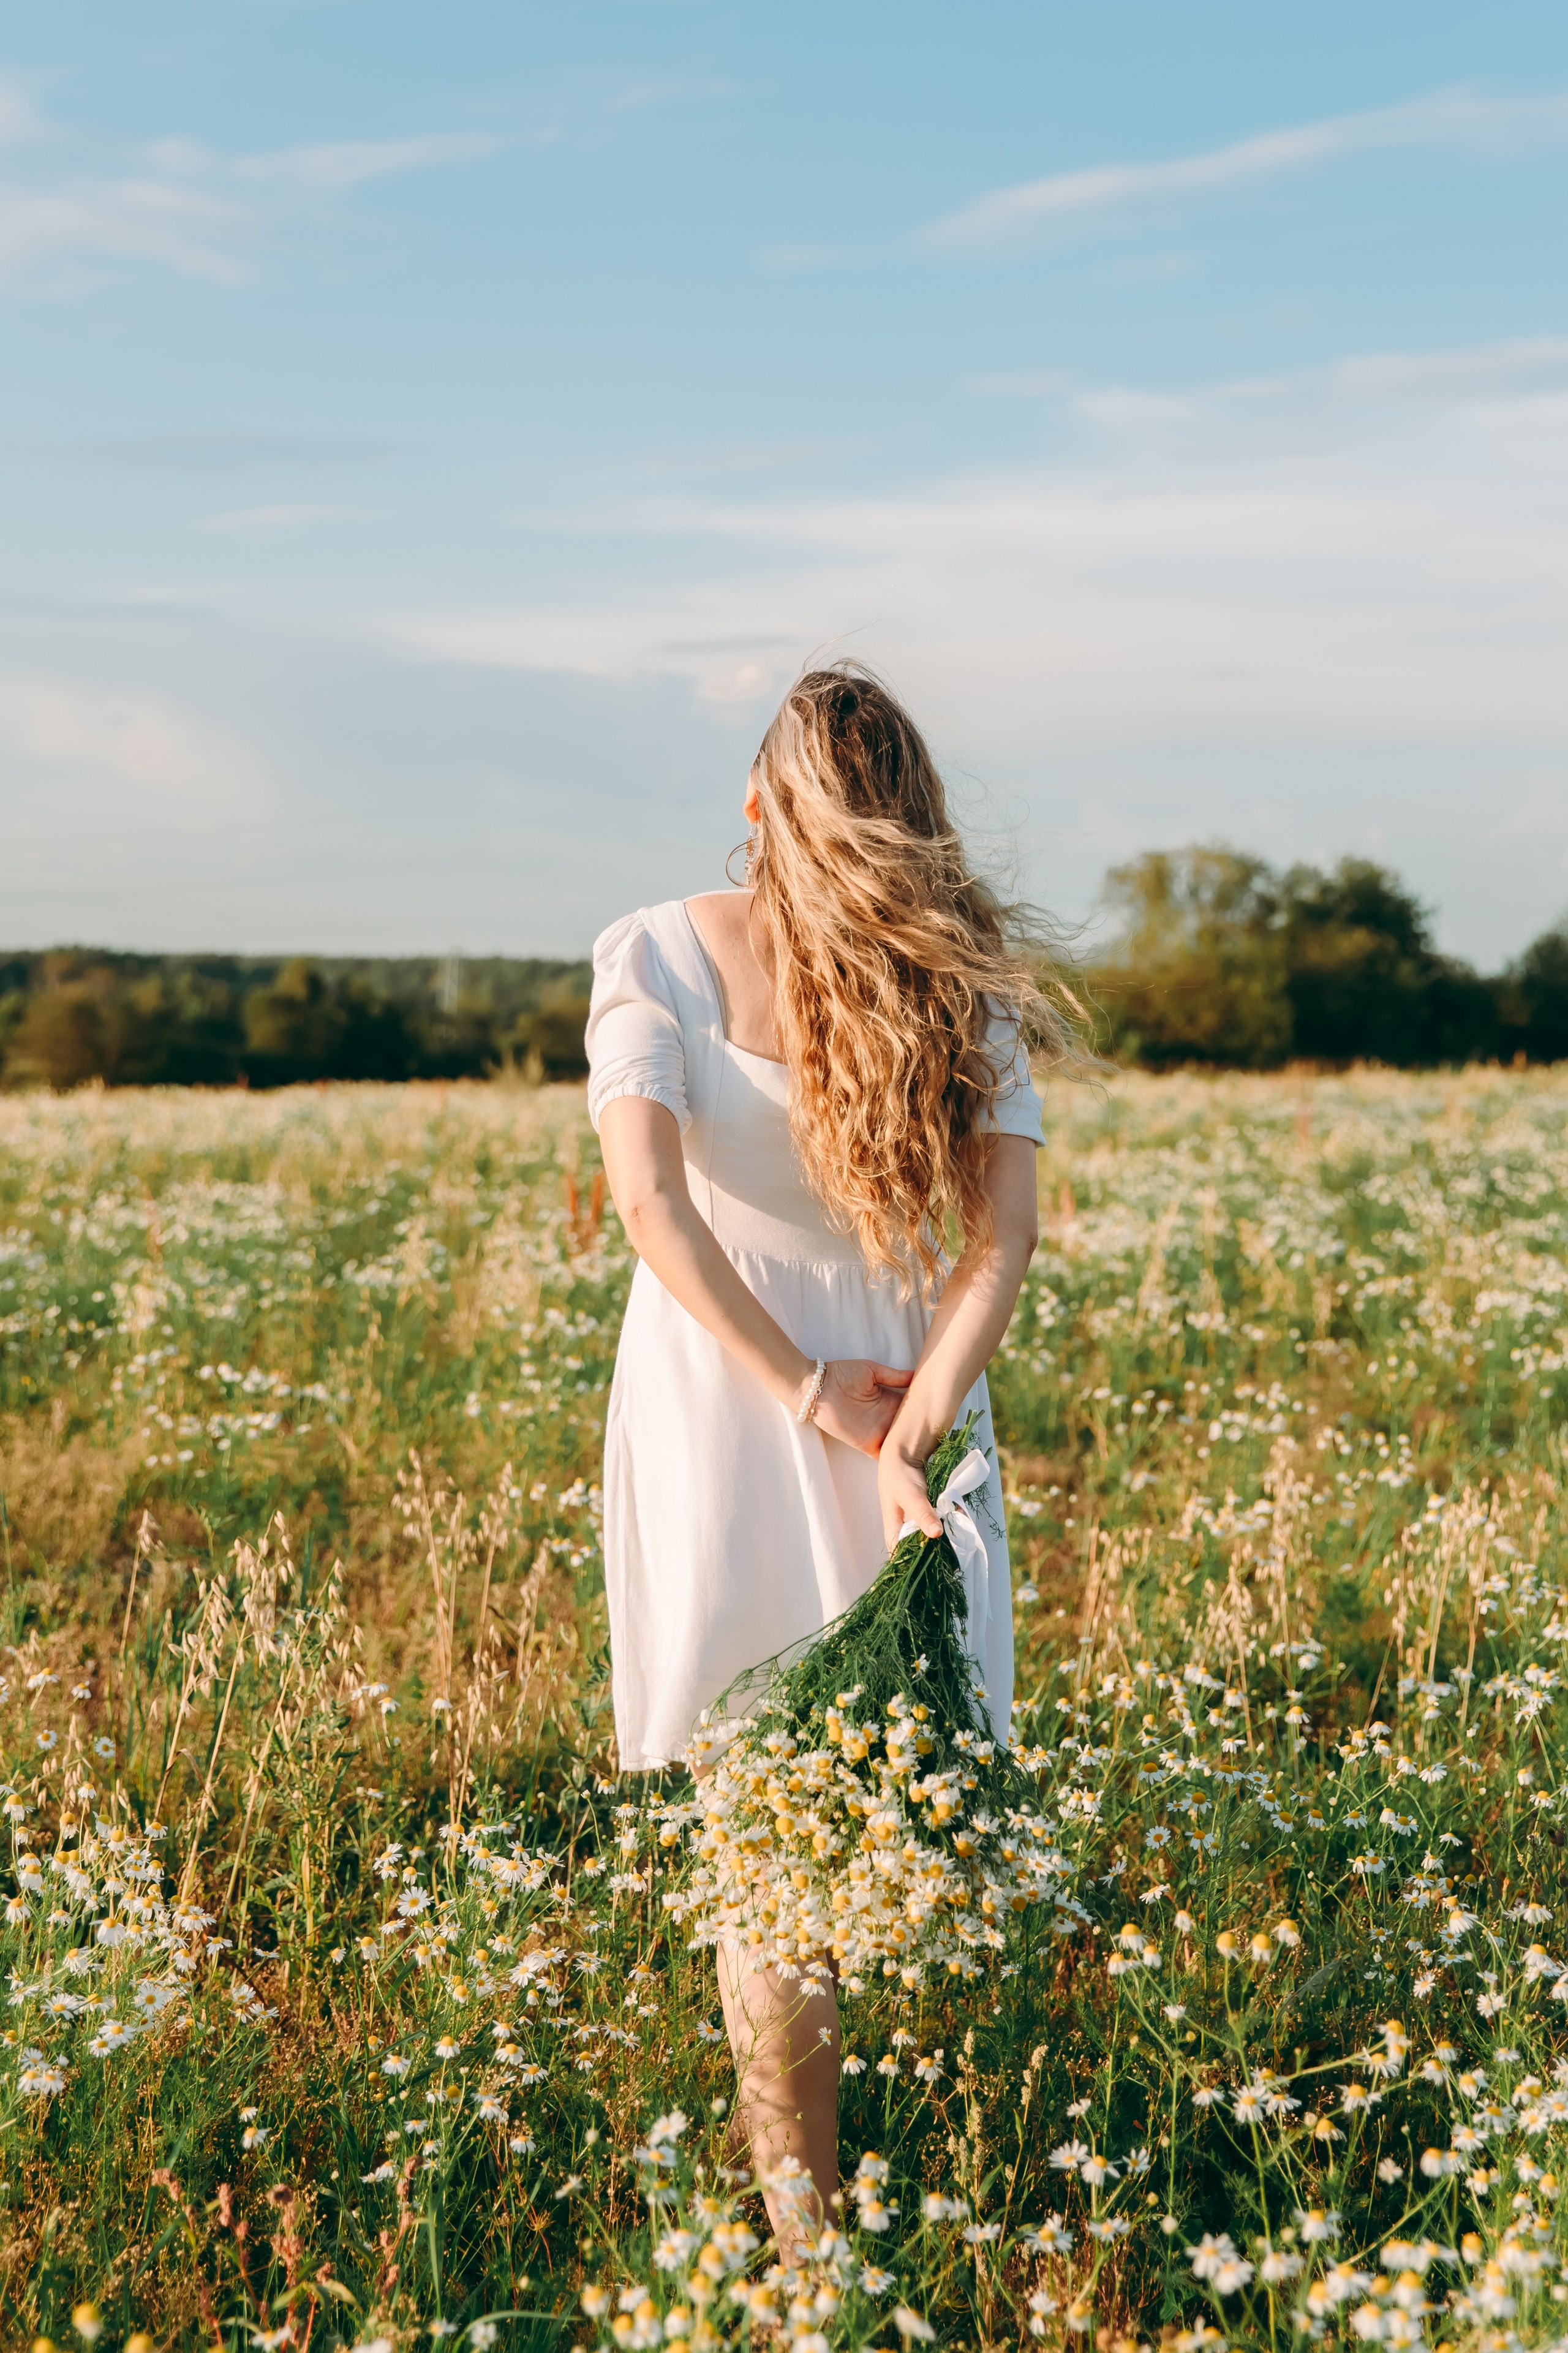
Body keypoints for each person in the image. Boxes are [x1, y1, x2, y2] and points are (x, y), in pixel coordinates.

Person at [586, 665, 1074, 2263]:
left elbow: (652, 1210)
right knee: (859, 1805)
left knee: (777, 1843)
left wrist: (822, 1403)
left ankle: (808, 2243)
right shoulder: (964, 981)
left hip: (752, 1408)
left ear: (753, 808)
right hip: (904, 1406)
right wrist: (913, 1423)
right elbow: (1003, 1245)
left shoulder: (652, 946)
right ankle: (820, 2226)